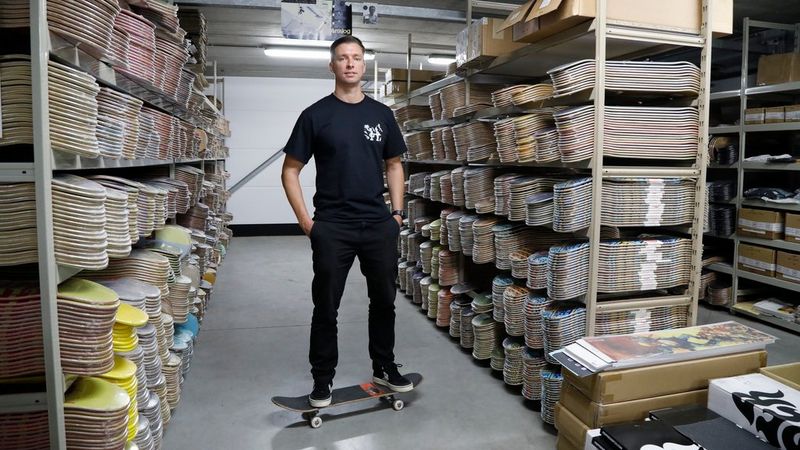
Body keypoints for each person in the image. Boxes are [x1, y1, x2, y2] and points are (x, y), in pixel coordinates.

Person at [280, 35, 413, 408]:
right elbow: (290, 171)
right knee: (326, 307)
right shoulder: (315, 115)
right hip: (333, 227)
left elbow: (394, 164)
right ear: (332, 66)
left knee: (384, 301)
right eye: (342, 58)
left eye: (356, 57)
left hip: (377, 225)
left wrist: (397, 214)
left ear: (364, 64)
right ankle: (322, 381)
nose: (350, 64)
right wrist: (308, 223)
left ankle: (384, 366)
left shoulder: (382, 115)